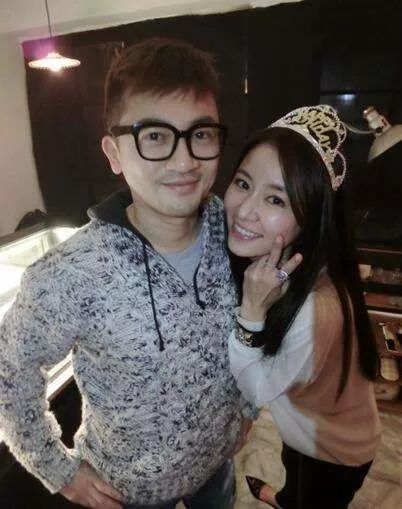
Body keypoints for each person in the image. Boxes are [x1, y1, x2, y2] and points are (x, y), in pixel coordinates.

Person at [0, 38, 256, 509]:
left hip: (217, 469)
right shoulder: (70, 273)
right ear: (113, 153)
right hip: (126, 492)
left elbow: (262, 326)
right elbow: (8, 374)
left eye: (200, 134)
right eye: (154, 136)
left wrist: (247, 409)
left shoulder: (240, 233)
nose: (185, 161)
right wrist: (59, 471)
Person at [224, 105, 381, 508]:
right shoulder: (304, 263)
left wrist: (251, 312)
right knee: (292, 470)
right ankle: (281, 497)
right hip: (305, 429)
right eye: (243, 183)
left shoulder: (315, 307)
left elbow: (257, 387)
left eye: (275, 199)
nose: (244, 210)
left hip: (335, 449)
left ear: (311, 216)